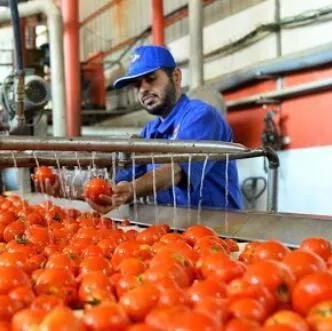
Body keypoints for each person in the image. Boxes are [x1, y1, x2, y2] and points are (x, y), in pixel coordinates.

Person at [36, 45, 244, 214]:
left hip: (218, 228)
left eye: (151, 79)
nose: (143, 88)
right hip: (176, 229)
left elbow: (176, 169)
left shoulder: (200, 116)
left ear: (177, 77)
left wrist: (131, 191)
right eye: (137, 84)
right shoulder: (150, 132)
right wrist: (65, 188)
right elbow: (116, 185)